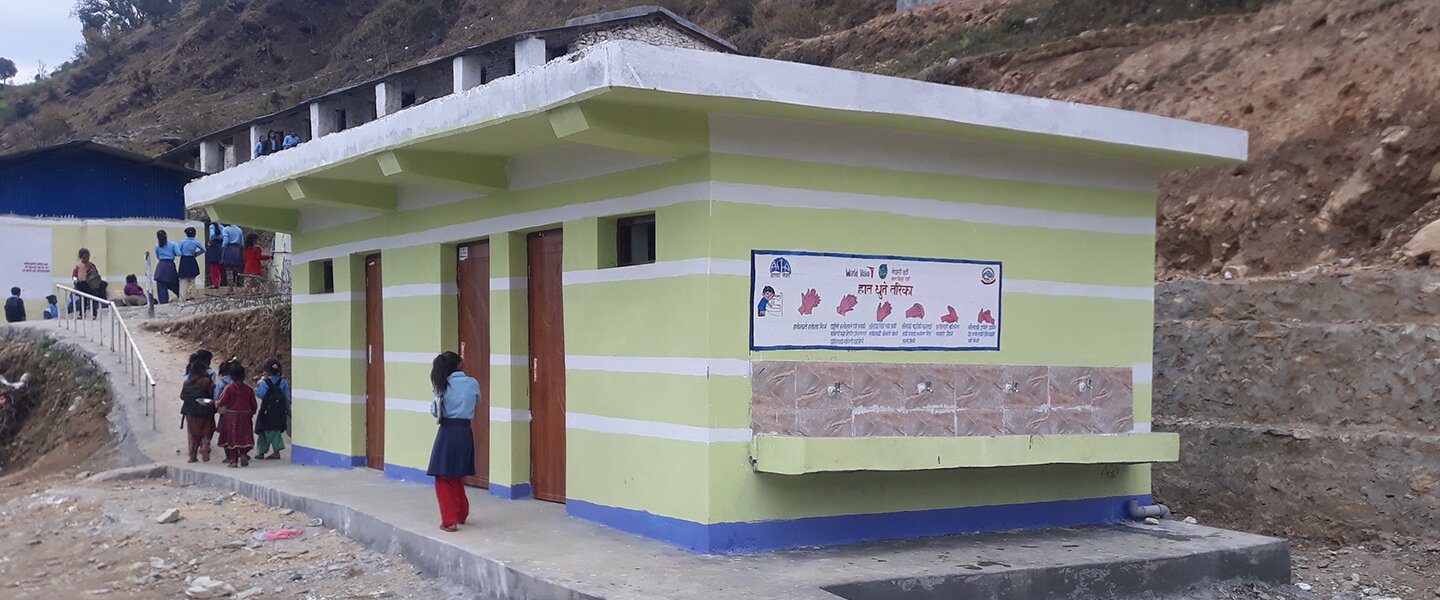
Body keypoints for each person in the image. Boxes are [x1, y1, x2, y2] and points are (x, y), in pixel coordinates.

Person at [427, 351, 479, 532]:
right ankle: (461, 513)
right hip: (465, 431)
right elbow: (477, 401)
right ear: (460, 364)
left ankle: (449, 520)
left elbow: (435, 411)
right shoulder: (472, 383)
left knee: (443, 476)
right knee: (457, 474)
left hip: (447, 431)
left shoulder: (442, 386)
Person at [216, 362, 256, 467]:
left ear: (232, 376)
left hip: (231, 417)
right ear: (243, 376)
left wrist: (215, 403)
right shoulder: (249, 389)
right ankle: (243, 453)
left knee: (231, 438)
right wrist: (251, 412)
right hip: (245, 416)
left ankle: (233, 461)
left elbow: (222, 401)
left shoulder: (229, 388)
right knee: (244, 436)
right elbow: (254, 405)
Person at [180, 360, 217, 463]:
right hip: (205, 410)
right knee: (206, 431)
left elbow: (182, 396)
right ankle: (205, 448)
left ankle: (192, 456)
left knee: (192, 433)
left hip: (191, 412)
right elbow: (211, 395)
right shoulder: (206, 381)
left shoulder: (187, 382)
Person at [254, 358, 290, 460]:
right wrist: (288, 409)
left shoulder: (265, 382)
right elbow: (287, 396)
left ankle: (261, 452)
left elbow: (260, 394)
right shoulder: (283, 382)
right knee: (276, 431)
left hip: (266, 411)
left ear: (267, 371)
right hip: (279, 411)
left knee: (263, 431)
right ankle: (276, 451)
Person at [72, 248, 107, 319]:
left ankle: (94, 314)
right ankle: (81, 314)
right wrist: (75, 280)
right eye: (84, 257)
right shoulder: (78, 266)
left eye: (87, 257)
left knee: (93, 299)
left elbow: (96, 274)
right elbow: (74, 275)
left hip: (91, 285)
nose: (86, 258)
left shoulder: (91, 265)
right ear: (81, 257)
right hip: (82, 284)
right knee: (83, 300)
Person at [177, 227, 206, 301]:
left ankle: (182, 298)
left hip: (184, 260)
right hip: (192, 260)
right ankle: (192, 296)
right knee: (192, 279)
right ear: (194, 234)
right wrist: (195, 254)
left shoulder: (182, 242)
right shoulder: (196, 242)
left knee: (183, 280)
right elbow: (204, 250)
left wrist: (183, 253)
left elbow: (178, 252)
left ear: (186, 234)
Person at [153, 230, 181, 304]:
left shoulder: (157, 246)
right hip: (170, 267)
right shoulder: (172, 244)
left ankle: (163, 306)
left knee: (162, 292)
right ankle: (183, 298)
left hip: (160, 268)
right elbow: (179, 253)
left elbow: (158, 256)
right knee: (176, 286)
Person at [220, 223, 244, 290]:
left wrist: (222, 247)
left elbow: (225, 241)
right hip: (237, 250)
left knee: (228, 269)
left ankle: (230, 288)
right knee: (236, 268)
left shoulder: (225, 229)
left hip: (228, 249)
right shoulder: (239, 230)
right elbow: (242, 243)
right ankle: (237, 284)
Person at [205, 221, 225, 289]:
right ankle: (222, 281)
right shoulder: (222, 227)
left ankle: (215, 283)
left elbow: (212, 236)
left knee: (213, 266)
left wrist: (210, 240)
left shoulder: (212, 226)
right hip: (221, 246)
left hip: (214, 246)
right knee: (221, 265)